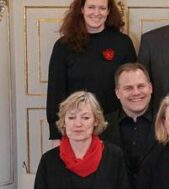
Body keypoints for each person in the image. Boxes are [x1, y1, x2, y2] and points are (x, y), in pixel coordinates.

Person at [46, 0, 136, 139]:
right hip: (77, 126)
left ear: (108, 11)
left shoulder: (123, 43)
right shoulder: (63, 46)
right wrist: (56, 135)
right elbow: (55, 92)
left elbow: (132, 87)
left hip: (116, 127)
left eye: (102, 8)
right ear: (82, 9)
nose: (96, 13)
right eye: (91, 7)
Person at [101, 63, 160, 189]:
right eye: (128, 88)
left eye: (141, 86)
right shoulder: (102, 126)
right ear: (117, 93)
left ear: (150, 88)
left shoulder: (167, 122)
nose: (136, 92)